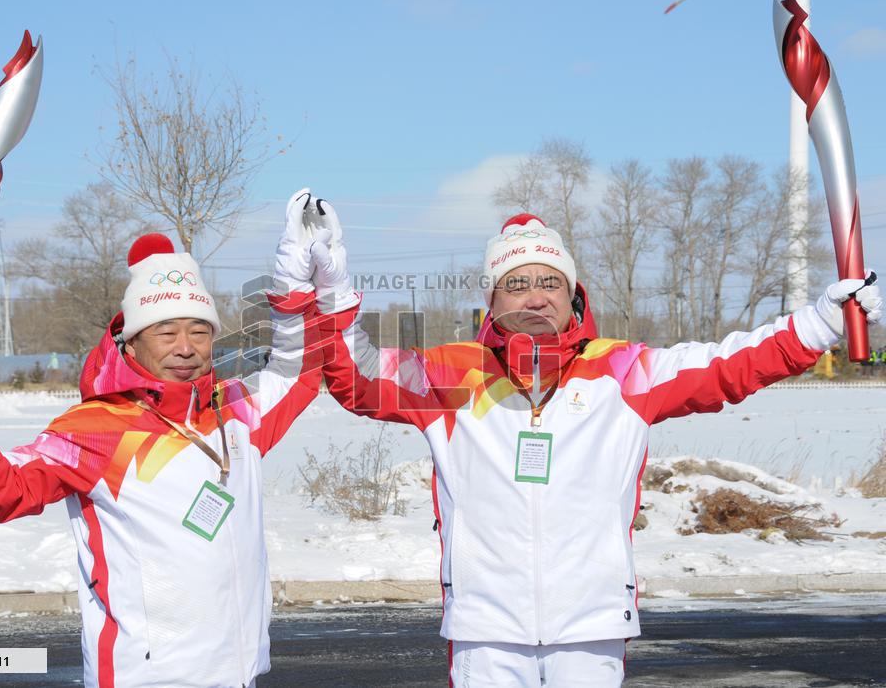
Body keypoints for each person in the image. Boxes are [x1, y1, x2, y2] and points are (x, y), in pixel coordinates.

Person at [303, 203, 882, 688]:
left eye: (549, 282)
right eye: (517, 283)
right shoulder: (450, 375)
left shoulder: (625, 370)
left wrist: (821, 323)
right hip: (484, 628)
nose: (535, 296)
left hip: (591, 625)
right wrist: (330, 289)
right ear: (493, 301)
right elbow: (354, 377)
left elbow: (732, 364)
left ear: (572, 293)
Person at [0, 189, 327, 688]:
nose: (187, 348)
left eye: (200, 331)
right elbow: (8, 491)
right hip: (148, 677)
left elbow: (298, 365)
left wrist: (299, 280)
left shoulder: (236, 409)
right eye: (166, 333)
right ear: (133, 341)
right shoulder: (96, 428)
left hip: (238, 673)